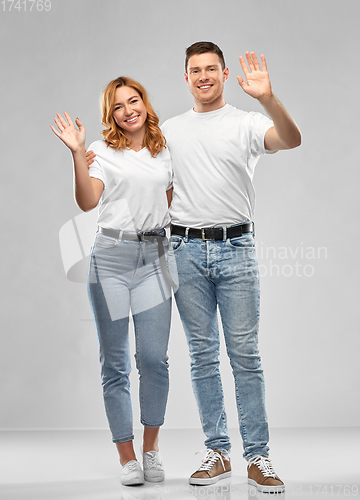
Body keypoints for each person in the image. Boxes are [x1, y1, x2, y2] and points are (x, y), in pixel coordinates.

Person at [160, 42, 301, 493]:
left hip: (236, 247)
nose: (203, 76)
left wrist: (267, 98)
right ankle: (217, 453)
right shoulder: (170, 130)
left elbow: (292, 139)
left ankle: (258, 457)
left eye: (210, 69)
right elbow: (149, 182)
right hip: (183, 249)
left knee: (245, 356)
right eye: (194, 70)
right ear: (186, 78)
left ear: (223, 74)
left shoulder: (246, 122)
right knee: (202, 356)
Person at [51, 77, 173, 486]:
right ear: (111, 115)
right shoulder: (101, 151)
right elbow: (87, 201)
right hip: (111, 259)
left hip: (156, 258)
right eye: (118, 106)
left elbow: (169, 204)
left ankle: (152, 448)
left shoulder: (165, 150)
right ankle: (127, 456)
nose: (127, 110)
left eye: (133, 101)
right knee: (116, 362)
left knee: (154, 360)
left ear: (144, 103)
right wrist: (75, 154)